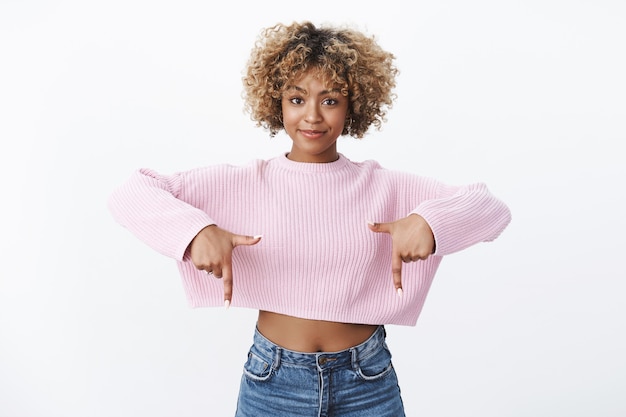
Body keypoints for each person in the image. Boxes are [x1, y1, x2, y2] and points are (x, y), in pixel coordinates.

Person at [108, 21, 511, 417]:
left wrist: (430, 223)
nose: (313, 116)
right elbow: (130, 193)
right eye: (297, 99)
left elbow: (491, 209)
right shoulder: (243, 182)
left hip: (367, 381)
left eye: (331, 99)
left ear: (354, 104)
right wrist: (195, 232)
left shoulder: (386, 186)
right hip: (273, 382)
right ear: (276, 102)